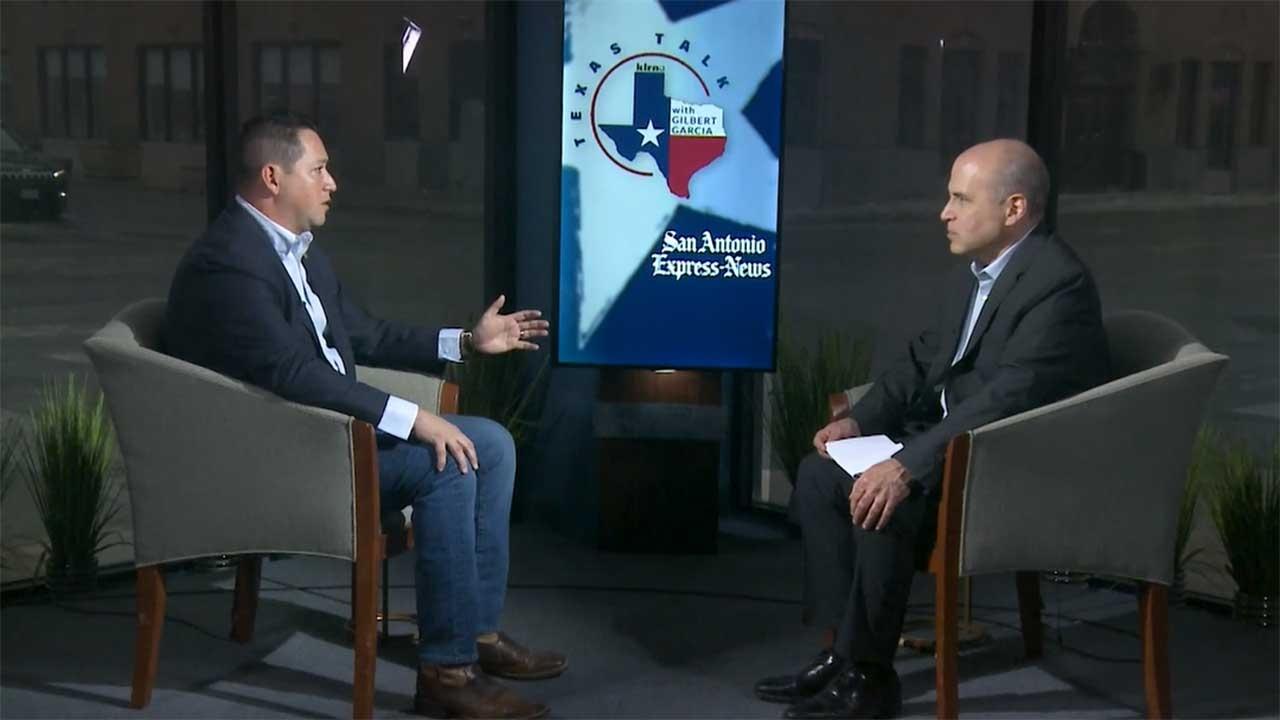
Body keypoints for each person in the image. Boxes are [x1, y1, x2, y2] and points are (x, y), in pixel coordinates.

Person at [166, 113, 563, 720]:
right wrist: (412, 419)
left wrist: (464, 340)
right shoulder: (229, 263)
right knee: (447, 462)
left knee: (493, 444)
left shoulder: (296, 251)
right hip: (287, 454)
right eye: (319, 169)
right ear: (273, 177)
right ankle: (445, 675)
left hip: (330, 435)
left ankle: (476, 634)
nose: (333, 183)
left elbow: (365, 333)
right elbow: (291, 374)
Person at [754, 139, 1110, 719]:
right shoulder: (976, 274)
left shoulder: (1057, 284)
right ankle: (841, 654)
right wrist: (859, 421)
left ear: (1013, 209)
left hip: (1005, 463)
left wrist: (907, 463)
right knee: (820, 475)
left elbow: (1007, 399)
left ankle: (871, 677)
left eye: (959, 199)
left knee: (881, 495)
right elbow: (922, 361)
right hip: (951, 444)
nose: (944, 213)